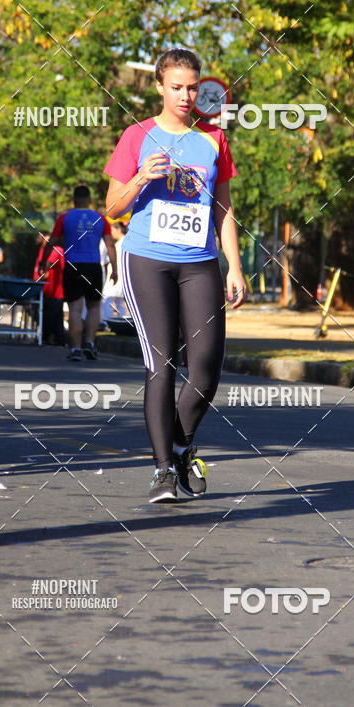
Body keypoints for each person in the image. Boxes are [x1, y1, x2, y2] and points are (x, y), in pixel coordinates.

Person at [105, 47, 246, 503]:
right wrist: (141, 177)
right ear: (161, 87)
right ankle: (163, 469)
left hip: (199, 261)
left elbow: (222, 208)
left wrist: (234, 266)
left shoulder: (213, 141)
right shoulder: (137, 136)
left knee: (205, 369)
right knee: (161, 364)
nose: (186, 95)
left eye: (192, 87)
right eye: (177, 87)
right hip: (146, 258)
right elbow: (112, 208)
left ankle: (182, 446)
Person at [42, 185, 117, 361]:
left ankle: (75, 349)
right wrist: (115, 268)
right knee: (93, 307)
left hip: (73, 265)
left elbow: (51, 241)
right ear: (89, 200)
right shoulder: (100, 218)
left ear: (74, 200)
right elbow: (110, 245)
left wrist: (44, 262)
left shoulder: (65, 218)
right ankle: (90, 343)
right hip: (93, 266)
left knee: (75, 309)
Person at [33, 232, 66, 345]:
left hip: (55, 290)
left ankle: (50, 337)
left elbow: (48, 266)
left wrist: (42, 274)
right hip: (46, 289)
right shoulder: (43, 251)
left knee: (51, 315)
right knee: (54, 315)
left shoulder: (57, 250)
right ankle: (58, 338)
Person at [101, 221, 127, 323]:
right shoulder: (122, 243)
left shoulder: (121, 244)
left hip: (117, 274)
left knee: (107, 299)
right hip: (120, 275)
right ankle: (120, 320)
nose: (111, 233)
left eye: (112, 230)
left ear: (118, 230)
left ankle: (108, 321)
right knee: (119, 301)